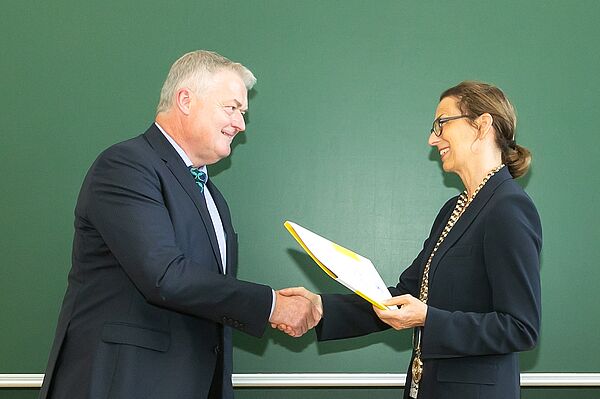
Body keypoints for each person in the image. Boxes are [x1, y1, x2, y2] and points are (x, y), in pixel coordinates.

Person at [39, 50, 321, 399]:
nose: (240, 124)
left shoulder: (212, 196)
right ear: (185, 100)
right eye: (231, 108)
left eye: (243, 113)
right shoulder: (126, 166)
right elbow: (165, 276)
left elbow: (209, 296)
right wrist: (272, 305)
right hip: (124, 385)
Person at [279, 81, 542, 399]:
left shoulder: (508, 206)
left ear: (482, 125)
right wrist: (321, 308)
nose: (433, 139)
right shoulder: (453, 210)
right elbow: (403, 296)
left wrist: (428, 318)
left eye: (442, 124)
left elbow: (520, 327)